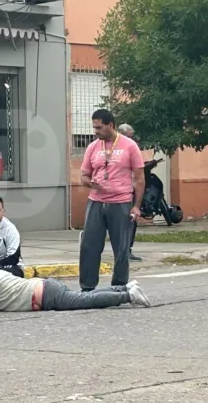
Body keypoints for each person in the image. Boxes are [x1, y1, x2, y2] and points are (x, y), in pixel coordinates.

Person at [79, 109, 145, 292]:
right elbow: (83, 176)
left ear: (111, 125)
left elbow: (140, 179)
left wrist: (136, 206)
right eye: (94, 127)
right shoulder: (93, 147)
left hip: (121, 202)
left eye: (99, 127)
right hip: (96, 202)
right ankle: (87, 288)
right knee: (89, 246)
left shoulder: (129, 146)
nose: (96, 131)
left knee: (121, 248)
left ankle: (119, 288)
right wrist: (90, 183)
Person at [0, 268, 151, 313]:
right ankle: (125, 287)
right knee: (86, 295)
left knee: (87, 301)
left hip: (46, 296)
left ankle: (128, 295)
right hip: (46, 286)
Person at [117, 123, 142, 262]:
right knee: (123, 222)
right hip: (121, 191)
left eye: (131, 136)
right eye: (129, 136)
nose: (131, 139)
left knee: (132, 221)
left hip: (130, 189)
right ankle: (122, 250)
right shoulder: (118, 149)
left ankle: (128, 249)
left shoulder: (132, 148)